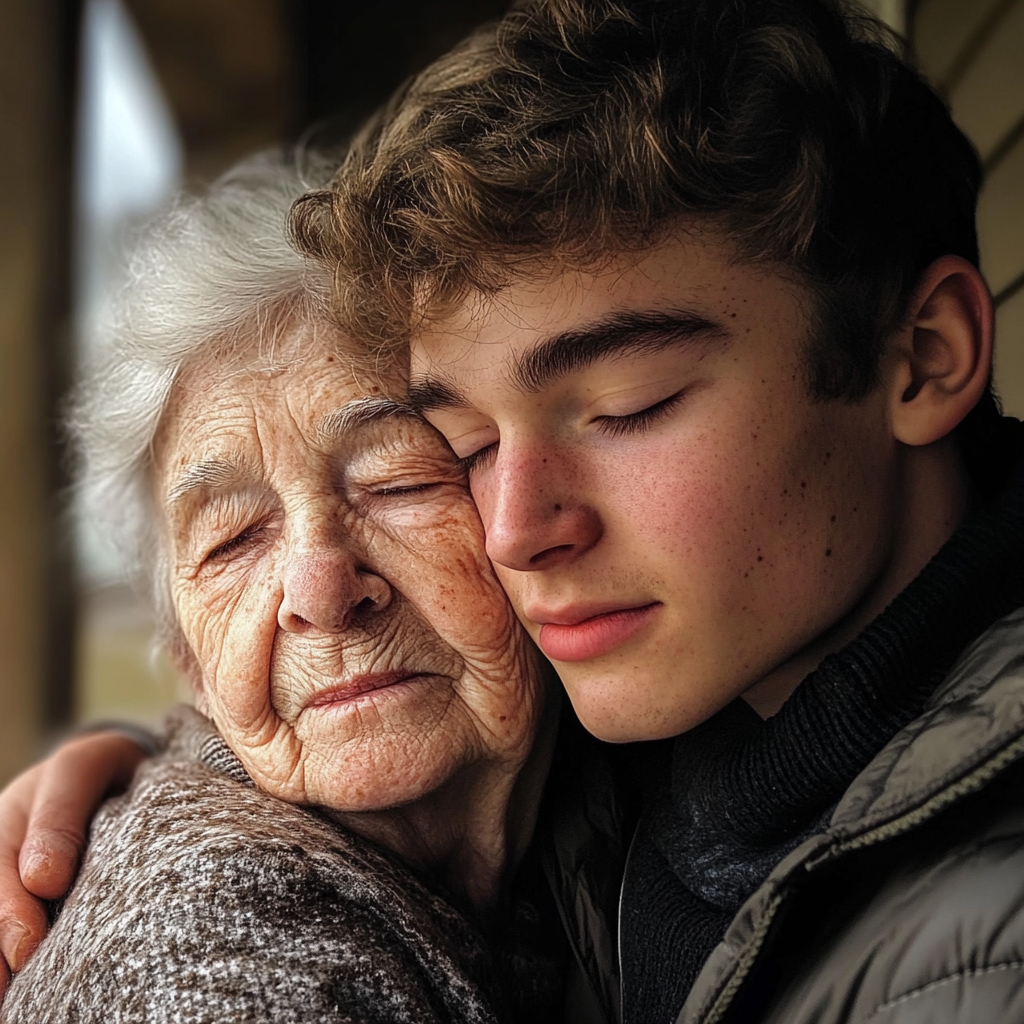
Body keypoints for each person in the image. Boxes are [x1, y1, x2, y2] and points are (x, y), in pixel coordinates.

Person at [4, 0, 1024, 1021]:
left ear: (923, 355)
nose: (515, 530)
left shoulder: (959, 941)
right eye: (470, 449)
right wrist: (134, 781)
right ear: (183, 654)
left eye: (629, 406)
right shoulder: (660, 716)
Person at [0, 151, 586, 1023]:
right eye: (233, 540)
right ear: (187, 660)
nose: (320, 587)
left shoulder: (614, 792)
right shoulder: (214, 941)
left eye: (400, 481)